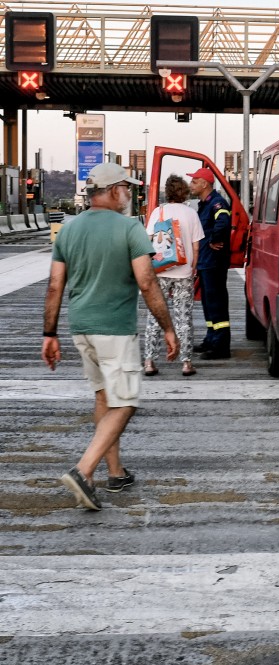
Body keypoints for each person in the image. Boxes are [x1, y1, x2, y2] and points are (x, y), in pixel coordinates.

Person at [42, 162, 179, 511]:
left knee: (105, 396)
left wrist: (49, 334)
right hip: (114, 329)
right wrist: (167, 327)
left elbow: (56, 284)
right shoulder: (130, 228)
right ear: (115, 190)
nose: (129, 195)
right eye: (127, 189)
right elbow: (147, 282)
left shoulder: (69, 231)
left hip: (80, 328)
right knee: (126, 401)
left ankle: (114, 472)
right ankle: (83, 470)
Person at [143, 174, 204, 377]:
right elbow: (196, 247)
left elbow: (147, 241)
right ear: (184, 192)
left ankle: (150, 361)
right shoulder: (191, 214)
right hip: (184, 273)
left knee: (154, 316)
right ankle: (186, 363)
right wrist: (192, 268)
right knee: (184, 318)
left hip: (160, 271)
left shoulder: (157, 212)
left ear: (167, 192)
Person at [188, 167, 232, 359]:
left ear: (205, 184)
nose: (191, 185)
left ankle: (221, 346)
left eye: (194, 181)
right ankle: (211, 339)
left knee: (216, 303)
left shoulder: (217, 203)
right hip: (206, 262)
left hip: (214, 262)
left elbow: (223, 222)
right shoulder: (205, 204)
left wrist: (215, 239)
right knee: (208, 303)